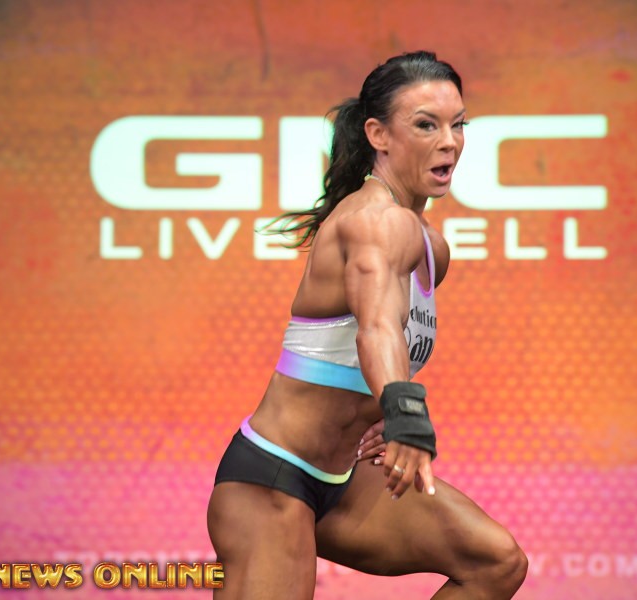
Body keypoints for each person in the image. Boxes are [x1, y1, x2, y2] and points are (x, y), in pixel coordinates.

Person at [207, 51, 528, 599]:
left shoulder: (431, 248)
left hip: (344, 481)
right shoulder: (374, 221)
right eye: (426, 125)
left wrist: (378, 413)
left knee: (495, 563)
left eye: (458, 125)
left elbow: (371, 355)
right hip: (273, 478)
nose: (449, 142)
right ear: (378, 134)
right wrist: (406, 416)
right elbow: (376, 328)